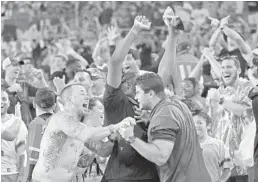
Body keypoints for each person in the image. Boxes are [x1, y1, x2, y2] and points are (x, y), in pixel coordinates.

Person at [119, 72, 212, 182]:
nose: (136, 97)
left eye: (138, 92)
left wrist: (130, 138)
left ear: (150, 94)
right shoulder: (177, 104)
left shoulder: (163, 116)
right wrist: (151, 117)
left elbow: (160, 156)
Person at [32, 83, 132, 182]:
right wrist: (115, 127)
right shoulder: (61, 118)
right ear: (70, 99)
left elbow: (102, 150)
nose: (87, 97)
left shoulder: (79, 128)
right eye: (82, 93)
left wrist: (113, 137)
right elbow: (87, 134)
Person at [100, 15, 159, 182]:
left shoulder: (149, 106)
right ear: (123, 84)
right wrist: (135, 30)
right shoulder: (114, 100)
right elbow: (114, 62)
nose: (139, 81)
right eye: (134, 79)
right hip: (120, 177)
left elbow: (166, 72)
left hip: (149, 175)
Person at [207, 56, 254, 179]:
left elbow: (245, 112)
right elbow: (214, 126)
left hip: (244, 161)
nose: (224, 70)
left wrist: (221, 100)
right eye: (222, 67)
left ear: (238, 70)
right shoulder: (219, 92)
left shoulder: (249, 88)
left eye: (229, 67)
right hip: (223, 162)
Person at [1, 57, 48, 126]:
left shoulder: (24, 85)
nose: (18, 68)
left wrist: (41, 79)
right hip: (7, 130)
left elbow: (47, 95)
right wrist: (7, 91)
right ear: (5, 68)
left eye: (18, 66)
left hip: (26, 129)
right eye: (14, 65)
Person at [23, 88, 57, 182]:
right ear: (54, 106)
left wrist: (29, 176)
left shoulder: (36, 123)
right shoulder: (59, 121)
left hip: (40, 173)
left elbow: (34, 151)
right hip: (57, 172)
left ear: (34, 104)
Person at [193, 111, 233, 182]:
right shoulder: (186, 146)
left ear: (208, 126)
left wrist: (221, 181)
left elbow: (227, 169)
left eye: (199, 123)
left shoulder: (219, 144)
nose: (196, 126)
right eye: (193, 123)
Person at [1, 89, 28, 182]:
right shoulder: (17, 122)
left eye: (4, 99)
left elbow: (22, 151)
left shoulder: (18, 123)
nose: (1, 102)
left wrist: (21, 175)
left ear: (9, 102)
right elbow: (10, 135)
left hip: (10, 174)